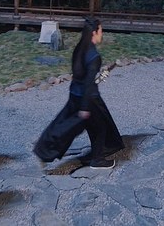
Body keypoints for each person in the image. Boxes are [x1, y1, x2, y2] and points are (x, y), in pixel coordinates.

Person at [34, 17, 124, 169]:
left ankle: (46, 150)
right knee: (100, 127)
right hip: (89, 99)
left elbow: (81, 76)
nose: (102, 34)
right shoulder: (94, 56)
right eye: (100, 31)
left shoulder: (80, 49)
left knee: (79, 125)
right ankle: (97, 160)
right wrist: (85, 108)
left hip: (75, 94)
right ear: (94, 33)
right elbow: (88, 84)